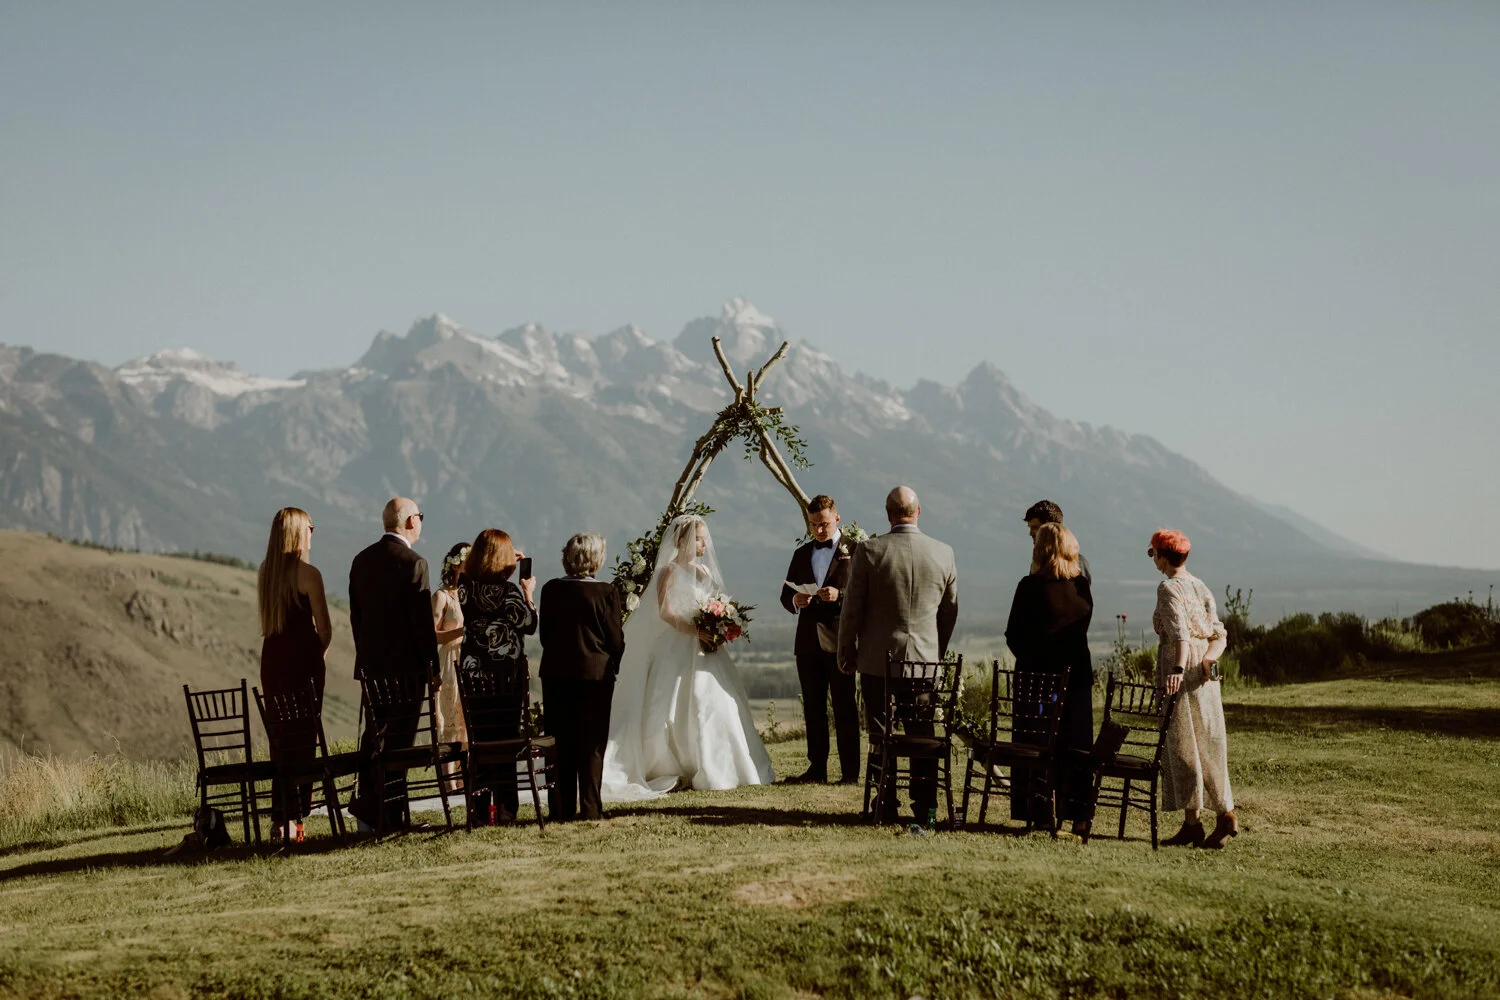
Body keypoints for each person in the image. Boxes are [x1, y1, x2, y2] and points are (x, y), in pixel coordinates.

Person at [601, 515, 775, 800]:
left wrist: (721, 622)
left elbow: (711, 602)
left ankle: (725, 765)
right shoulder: (668, 571)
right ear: (682, 541)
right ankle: (675, 764)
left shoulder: (704, 571)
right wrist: (695, 629)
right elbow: (666, 612)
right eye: (698, 538)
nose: (704, 544)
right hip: (678, 644)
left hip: (705, 648)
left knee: (716, 702)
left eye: (705, 538)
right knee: (675, 704)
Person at [838, 486, 958, 822]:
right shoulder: (943, 552)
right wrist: (936, 649)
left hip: (878, 660)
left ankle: (886, 803)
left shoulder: (870, 551)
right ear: (918, 511)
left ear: (889, 514)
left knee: (881, 734)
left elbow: (853, 608)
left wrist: (846, 650)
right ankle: (927, 809)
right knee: (923, 735)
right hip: (924, 662)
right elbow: (949, 612)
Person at [347, 496, 436, 831]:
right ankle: (392, 815)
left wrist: (365, 659)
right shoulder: (415, 563)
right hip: (407, 674)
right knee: (399, 744)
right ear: (411, 521)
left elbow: (356, 617)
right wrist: (433, 669)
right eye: (421, 516)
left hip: (373, 671)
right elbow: (422, 625)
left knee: (374, 739)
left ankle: (369, 814)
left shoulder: (361, 561)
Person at [1149, 529, 1238, 849]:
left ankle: (1212, 818)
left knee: (1183, 745)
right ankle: (1199, 821)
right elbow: (1219, 635)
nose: (1153, 560)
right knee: (1208, 742)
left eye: (1153, 554)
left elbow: (1180, 636)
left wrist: (1177, 669)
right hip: (1204, 673)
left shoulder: (1168, 587)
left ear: (1162, 556)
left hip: (1181, 668)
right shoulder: (1200, 586)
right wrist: (1208, 662)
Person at [1004, 523, 1094, 836]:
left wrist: (1032, 660)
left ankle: (1040, 809)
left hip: (1038, 679)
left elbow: (1013, 634)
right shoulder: (1082, 586)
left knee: (1036, 743)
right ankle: (1080, 813)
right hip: (1077, 679)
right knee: (1077, 745)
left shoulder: (1029, 587)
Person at [256, 506, 334, 842]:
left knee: (281, 741)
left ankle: (280, 820)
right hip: (303, 664)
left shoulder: (266, 573)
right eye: (310, 527)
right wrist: (317, 652)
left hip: (273, 663)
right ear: (298, 533)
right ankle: (297, 819)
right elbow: (325, 629)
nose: (313, 533)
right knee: (305, 741)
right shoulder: (309, 574)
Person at [539, 533, 626, 821]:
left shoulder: (551, 590)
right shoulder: (606, 592)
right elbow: (615, 639)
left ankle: (560, 807)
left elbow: (545, 635)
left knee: (559, 743)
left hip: (556, 675)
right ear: (596, 560)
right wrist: (614, 660)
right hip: (595, 677)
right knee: (591, 744)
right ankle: (590, 807)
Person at [779, 494, 860, 785]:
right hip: (808, 642)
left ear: (836, 518)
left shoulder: (857, 550)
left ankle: (850, 773)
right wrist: (796, 600)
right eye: (814, 525)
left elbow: (867, 597)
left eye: (824, 524)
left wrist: (842, 596)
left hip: (839, 640)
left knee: (844, 707)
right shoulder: (802, 553)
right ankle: (817, 769)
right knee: (813, 707)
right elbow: (784, 594)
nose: (819, 531)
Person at [458, 528, 537, 823]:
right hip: (505, 678)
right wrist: (528, 593)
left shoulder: (465, 587)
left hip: (473, 675)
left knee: (479, 740)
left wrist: (493, 559)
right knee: (505, 739)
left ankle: (478, 809)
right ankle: (505, 809)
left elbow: (467, 571)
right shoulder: (509, 593)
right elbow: (528, 625)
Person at [431, 542, 470, 792]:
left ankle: (464, 778)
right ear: (456, 564)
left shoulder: (471, 595)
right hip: (449, 660)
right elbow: (433, 634)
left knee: (464, 718)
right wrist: (462, 631)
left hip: (467, 661)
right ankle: (449, 783)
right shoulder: (442, 596)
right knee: (448, 719)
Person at [1023, 500, 1091, 584]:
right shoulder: (1038, 562)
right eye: (1030, 528)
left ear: (1052, 528)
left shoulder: (1078, 563)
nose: (1030, 533)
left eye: (1035, 528)